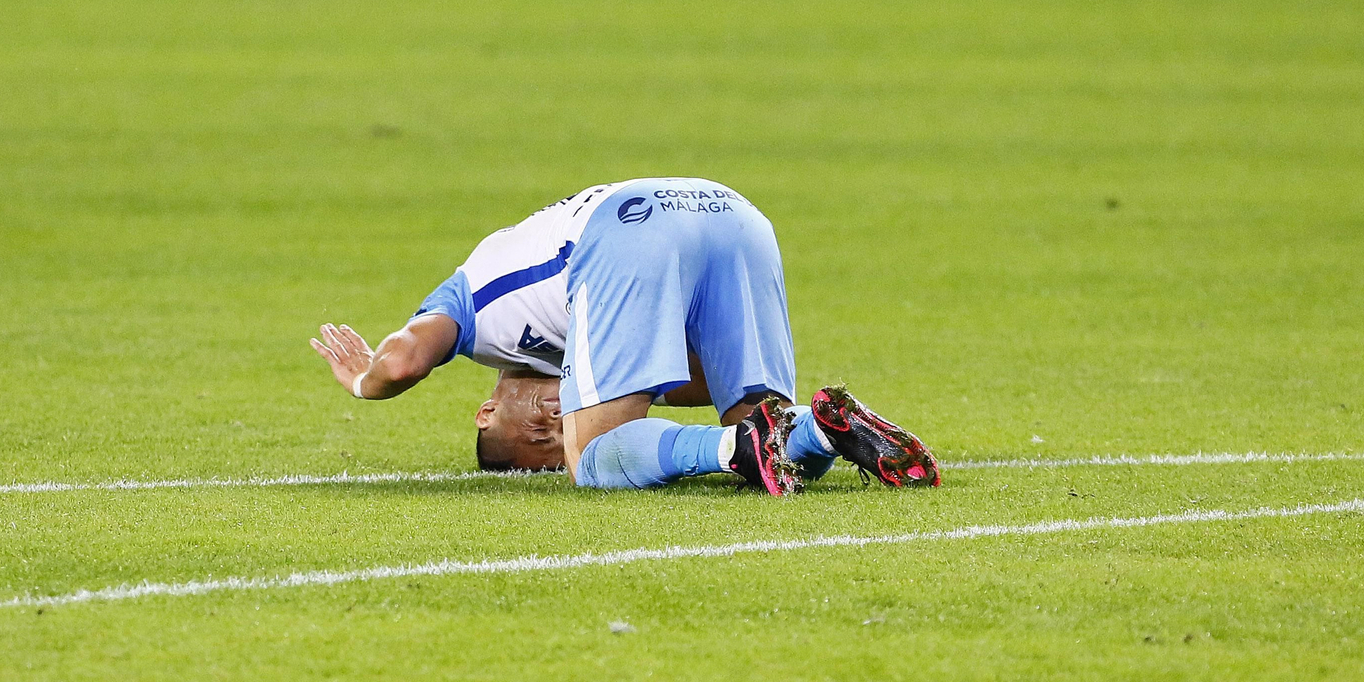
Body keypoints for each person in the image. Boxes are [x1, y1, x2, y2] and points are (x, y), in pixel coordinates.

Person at [310, 177, 940, 495]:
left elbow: (404, 359)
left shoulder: (474, 315)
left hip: (627, 225)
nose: (552, 429)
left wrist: (363, 380)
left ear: (487, 407)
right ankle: (824, 426)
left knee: (595, 463)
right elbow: (699, 379)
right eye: (551, 446)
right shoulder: (581, 340)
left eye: (529, 431)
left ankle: (733, 450)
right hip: (733, 215)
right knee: (763, 420)